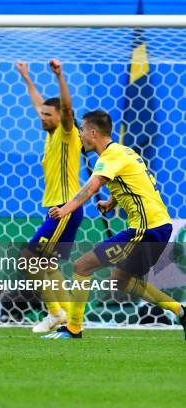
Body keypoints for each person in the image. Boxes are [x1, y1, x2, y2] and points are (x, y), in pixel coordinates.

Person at [44, 110, 185, 339]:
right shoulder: (123, 152)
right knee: (121, 280)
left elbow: (90, 187)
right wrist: (112, 201)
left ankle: (73, 328)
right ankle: (180, 311)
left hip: (147, 229)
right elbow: (137, 182)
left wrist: (64, 209)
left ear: (92, 132)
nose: (79, 135)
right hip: (156, 226)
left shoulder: (109, 157)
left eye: (81, 131)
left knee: (82, 267)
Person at [16, 59, 83, 333]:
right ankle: (68, 318)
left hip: (65, 208)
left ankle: (54, 312)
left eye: (47, 115)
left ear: (61, 118)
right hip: (58, 209)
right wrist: (27, 78)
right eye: (41, 115)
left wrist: (60, 76)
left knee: (28, 259)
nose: (41, 118)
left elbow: (66, 108)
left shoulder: (67, 133)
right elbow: (38, 103)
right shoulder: (50, 134)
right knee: (49, 264)